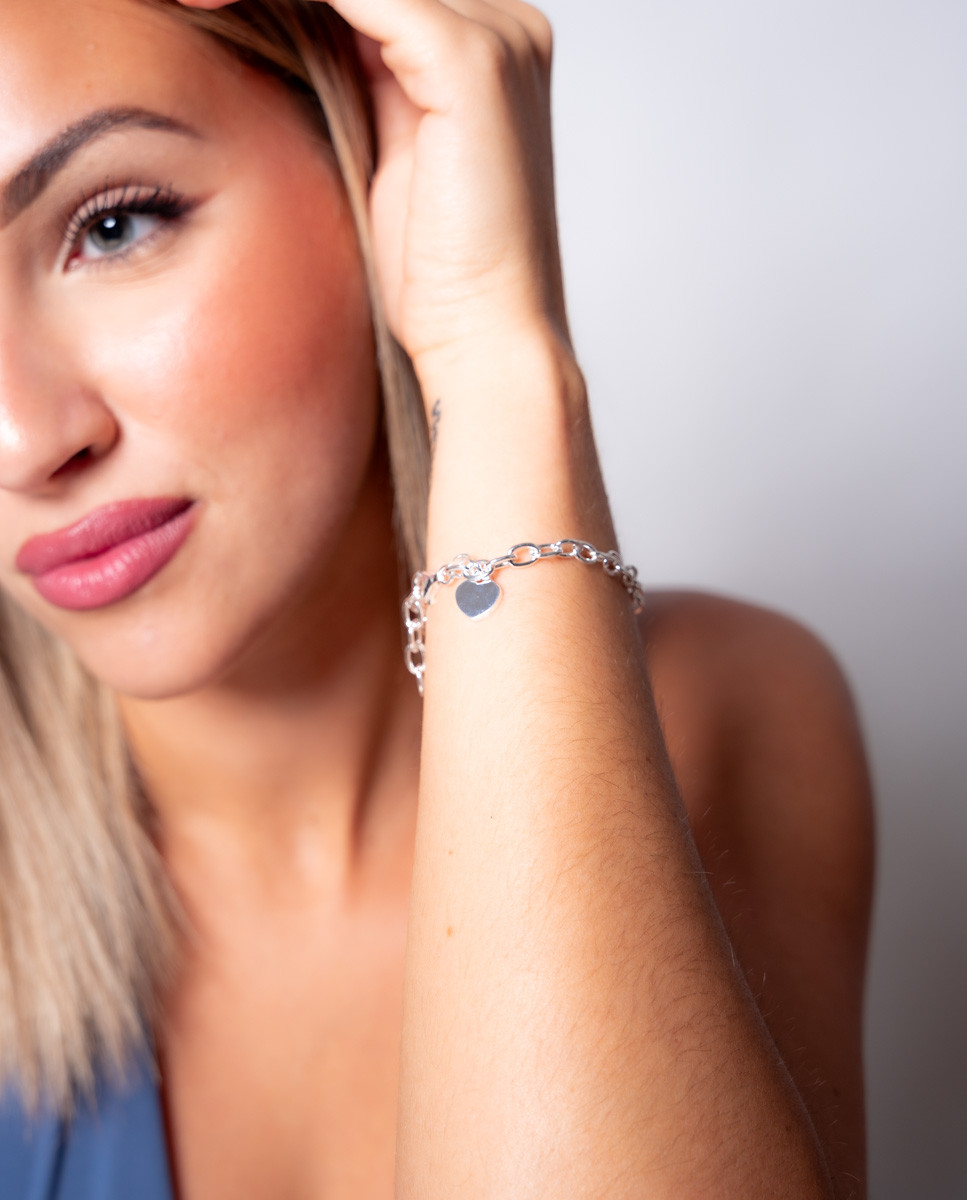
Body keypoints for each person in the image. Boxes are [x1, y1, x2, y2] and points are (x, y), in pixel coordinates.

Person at [0, 0, 874, 1197]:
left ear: (370, 148)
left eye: (113, 225)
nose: (23, 438)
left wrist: (496, 357)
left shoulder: (721, 715)